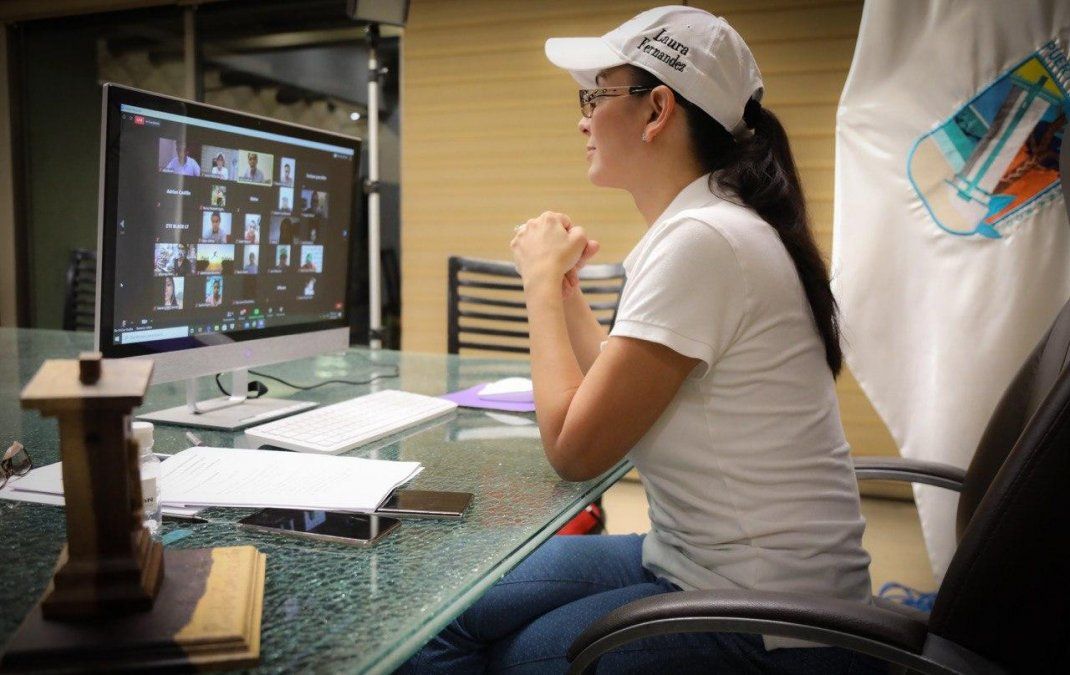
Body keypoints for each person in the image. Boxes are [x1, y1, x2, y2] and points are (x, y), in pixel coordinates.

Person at [404, 7, 880, 674]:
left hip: (774, 617)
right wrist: (565, 289)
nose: (583, 120)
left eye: (595, 96)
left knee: (488, 649)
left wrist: (536, 285)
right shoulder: (709, 224)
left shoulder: (705, 240)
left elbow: (575, 449)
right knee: (441, 603)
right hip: (696, 559)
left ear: (656, 110)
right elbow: (621, 383)